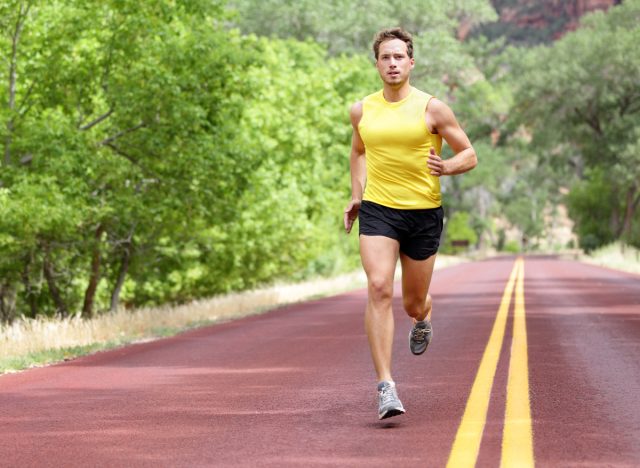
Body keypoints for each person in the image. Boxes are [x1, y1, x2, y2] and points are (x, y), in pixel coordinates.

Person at [343, 28, 477, 420]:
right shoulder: (362, 110)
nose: (393, 63)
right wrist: (356, 193)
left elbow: (469, 153)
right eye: (385, 57)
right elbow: (358, 151)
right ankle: (386, 385)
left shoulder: (432, 108)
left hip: (422, 213)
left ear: (411, 62)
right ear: (377, 63)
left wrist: (447, 166)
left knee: (412, 302)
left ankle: (424, 313)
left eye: (399, 57)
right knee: (379, 286)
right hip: (379, 209)